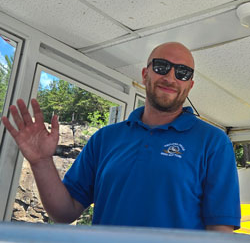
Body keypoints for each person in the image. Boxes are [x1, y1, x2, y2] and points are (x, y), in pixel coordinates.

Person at [2, 42, 241, 232]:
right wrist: (41, 162)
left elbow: (220, 230)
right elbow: (64, 213)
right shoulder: (105, 138)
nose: (170, 77)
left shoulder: (213, 142)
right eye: (161, 66)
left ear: (189, 85)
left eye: (182, 72)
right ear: (146, 73)